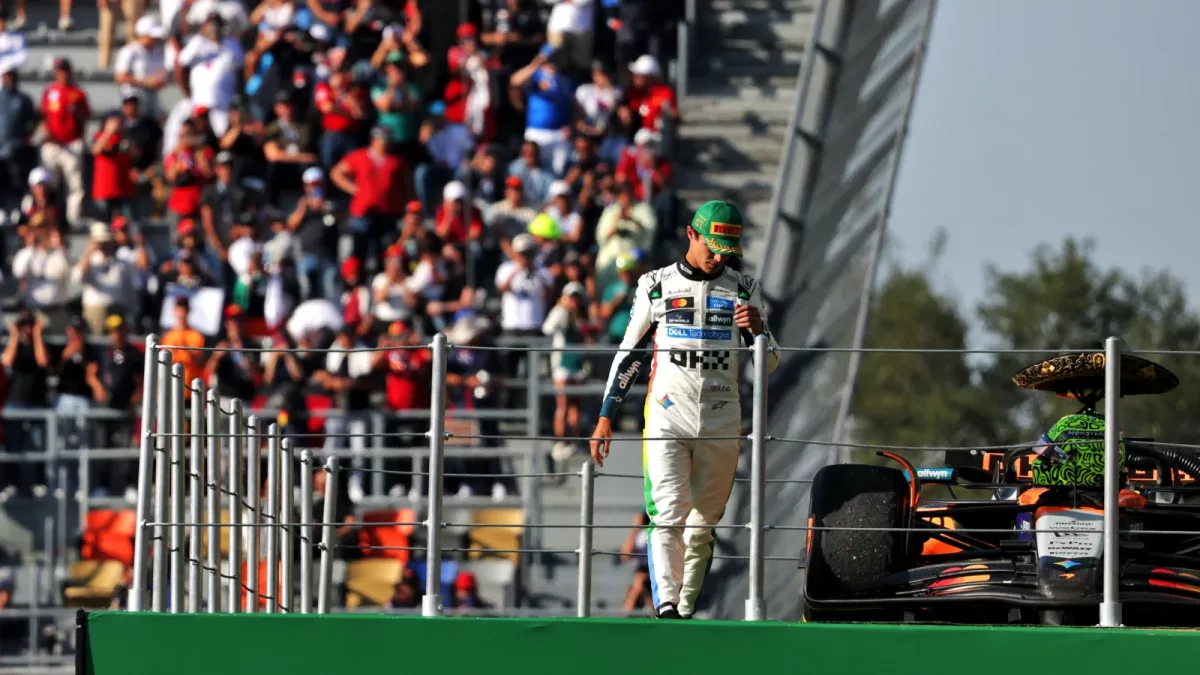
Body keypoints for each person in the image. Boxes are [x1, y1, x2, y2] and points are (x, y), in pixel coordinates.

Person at [589, 200, 778, 620]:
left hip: (722, 417)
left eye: (727, 251)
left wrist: (758, 332)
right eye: (712, 247)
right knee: (668, 513)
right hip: (666, 413)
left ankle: (685, 611)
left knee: (702, 525)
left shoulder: (745, 288)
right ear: (691, 235)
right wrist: (606, 414)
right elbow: (630, 353)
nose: (718, 257)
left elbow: (771, 365)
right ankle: (667, 607)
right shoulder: (654, 285)